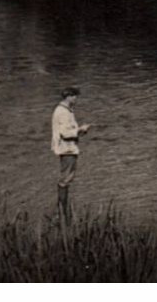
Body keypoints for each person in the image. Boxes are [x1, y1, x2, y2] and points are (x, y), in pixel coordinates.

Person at [51, 85, 91, 221]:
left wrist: (79, 131)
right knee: (65, 179)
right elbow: (65, 133)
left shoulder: (66, 110)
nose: (76, 99)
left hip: (68, 147)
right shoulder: (63, 112)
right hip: (67, 148)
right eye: (74, 96)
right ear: (68, 96)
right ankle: (62, 211)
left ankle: (62, 209)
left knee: (67, 177)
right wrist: (81, 130)